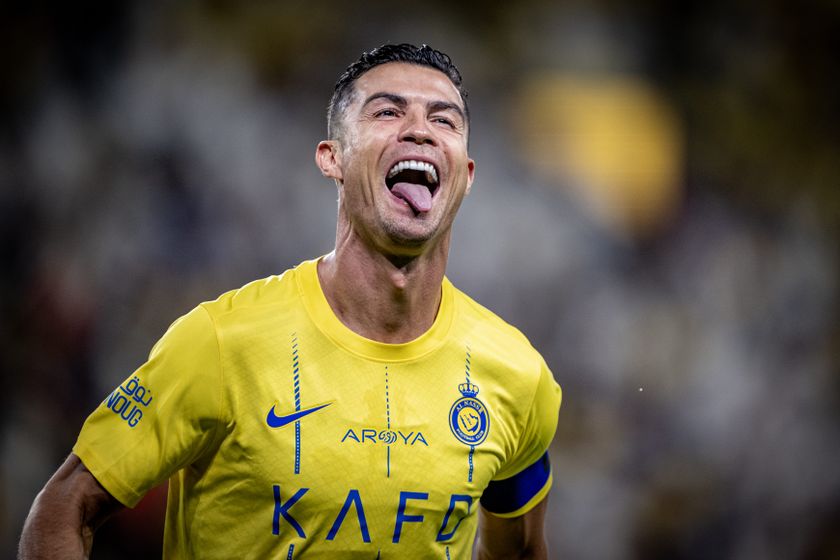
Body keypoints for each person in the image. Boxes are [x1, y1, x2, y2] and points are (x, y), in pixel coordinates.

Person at [19, 43, 562, 559]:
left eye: (443, 120)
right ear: (333, 160)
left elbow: (517, 550)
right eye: (387, 113)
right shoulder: (221, 343)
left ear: (465, 177)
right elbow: (63, 510)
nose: (419, 130)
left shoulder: (517, 376)